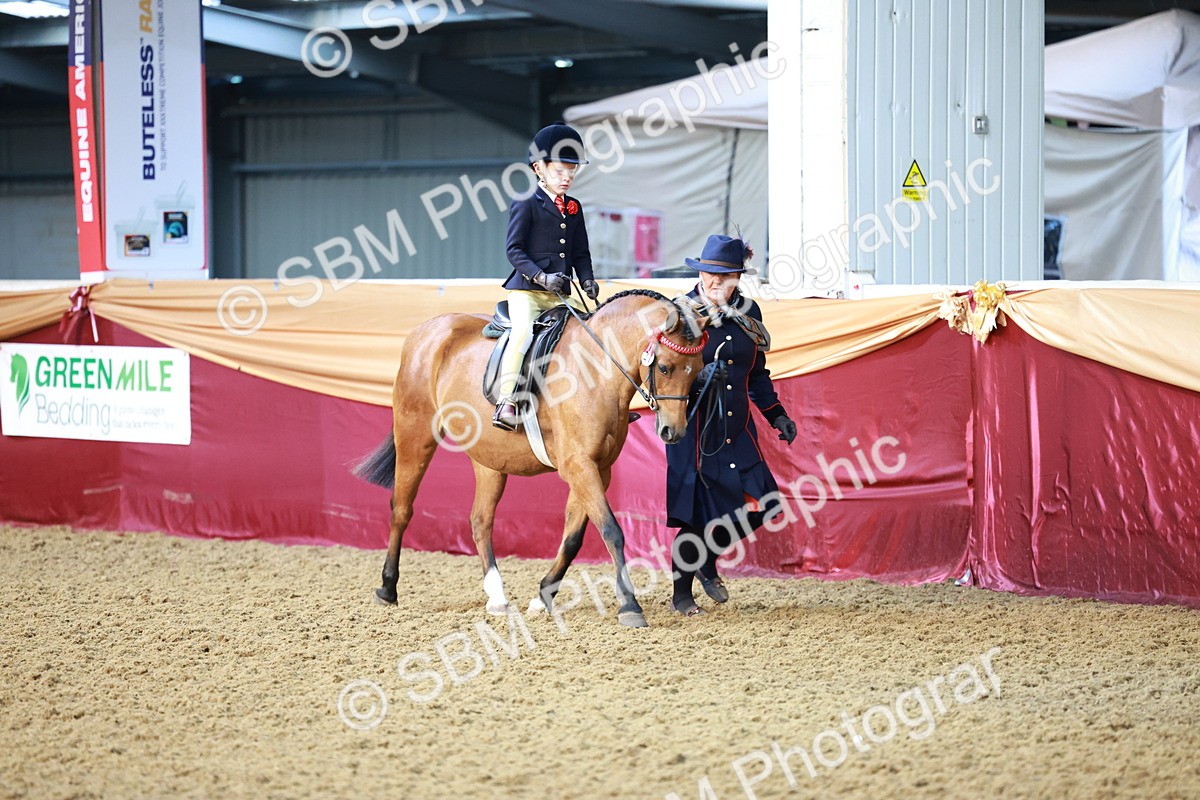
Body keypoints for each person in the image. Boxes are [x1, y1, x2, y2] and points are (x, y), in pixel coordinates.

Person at [665, 234, 797, 617]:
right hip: (693, 430)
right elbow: (662, 372)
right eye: (709, 274)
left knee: (762, 504)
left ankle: (707, 560)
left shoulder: (750, 313)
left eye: (724, 276)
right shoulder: (679, 313)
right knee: (698, 515)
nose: (714, 282)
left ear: (739, 277)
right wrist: (698, 375)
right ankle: (681, 596)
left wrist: (777, 415)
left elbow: (757, 374)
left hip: (736, 427)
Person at [494, 121, 599, 431]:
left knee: (590, 336)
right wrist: (540, 277)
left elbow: (580, 252)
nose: (566, 178)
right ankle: (507, 399)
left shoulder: (574, 207)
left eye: (571, 171)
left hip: (561, 294)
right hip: (527, 291)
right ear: (538, 167)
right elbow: (514, 250)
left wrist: (588, 279)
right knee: (523, 332)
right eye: (559, 171)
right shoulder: (526, 200)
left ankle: (598, 402)